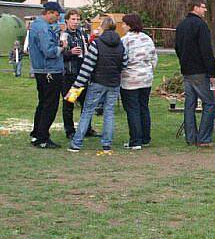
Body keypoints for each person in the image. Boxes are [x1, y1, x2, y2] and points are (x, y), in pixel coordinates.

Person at [67, 16, 128, 154]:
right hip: (114, 83)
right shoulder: (120, 44)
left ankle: (76, 143)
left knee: (87, 112)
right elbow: (124, 64)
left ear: (103, 27)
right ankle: (106, 144)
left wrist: (76, 87)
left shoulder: (97, 44)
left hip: (97, 82)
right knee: (109, 113)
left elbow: (87, 68)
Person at [175, 0, 215, 146]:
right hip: (200, 71)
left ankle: (190, 137)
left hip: (187, 71)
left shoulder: (181, 26)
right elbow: (206, 51)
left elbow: (177, 48)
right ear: (196, 7)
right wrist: (212, 72)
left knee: (189, 105)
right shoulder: (201, 26)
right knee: (210, 103)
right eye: (203, 6)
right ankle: (204, 138)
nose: (205, 9)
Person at [28, 1, 66, 149]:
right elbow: (49, 51)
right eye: (56, 15)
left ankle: (36, 134)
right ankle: (43, 138)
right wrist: (62, 48)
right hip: (50, 71)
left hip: (41, 70)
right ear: (49, 12)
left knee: (43, 103)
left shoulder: (37, 25)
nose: (57, 18)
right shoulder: (43, 28)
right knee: (50, 105)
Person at [119, 14, 158, 149]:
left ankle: (135, 140)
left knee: (132, 109)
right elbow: (154, 58)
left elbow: (122, 59)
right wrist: (149, 71)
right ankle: (145, 138)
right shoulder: (147, 38)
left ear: (129, 25)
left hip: (130, 79)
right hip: (146, 78)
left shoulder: (125, 40)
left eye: (124, 24)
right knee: (143, 107)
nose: (122, 26)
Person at [61, 9, 92, 139]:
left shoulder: (82, 34)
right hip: (69, 74)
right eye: (73, 19)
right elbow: (58, 54)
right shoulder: (63, 35)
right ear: (67, 20)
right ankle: (70, 130)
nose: (75, 22)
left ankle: (87, 128)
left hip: (83, 74)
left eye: (78, 19)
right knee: (69, 103)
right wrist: (70, 52)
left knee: (86, 103)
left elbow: (88, 50)